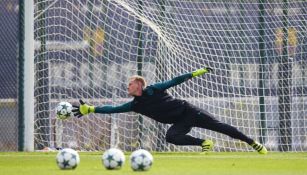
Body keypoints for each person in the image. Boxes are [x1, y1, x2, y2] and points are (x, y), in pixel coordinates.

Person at [72, 68, 268, 154]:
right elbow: (113, 109)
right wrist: (90, 109)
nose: (128, 86)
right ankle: (204, 143)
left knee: (221, 127)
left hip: (189, 112)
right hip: (179, 122)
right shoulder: (135, 105)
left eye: (130, 84)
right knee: (171, 137)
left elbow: (174, 80)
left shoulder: (154, 89)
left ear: (139, 84)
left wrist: (196, 73)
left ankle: (252, 143)